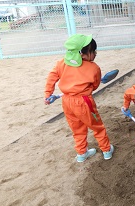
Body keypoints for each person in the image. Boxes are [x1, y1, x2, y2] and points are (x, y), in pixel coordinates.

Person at [44, 34, 114, 163]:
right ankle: (106, 150)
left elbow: (51, 77)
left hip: (67, 102)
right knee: (97, 126)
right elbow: (95, 85)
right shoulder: (94, 68)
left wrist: (48, 94)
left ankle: (82, 153)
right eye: (93, 51)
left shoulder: (61, 63)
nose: (95, 54)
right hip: (84, 102)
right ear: (82, 54)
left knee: (77, 128)